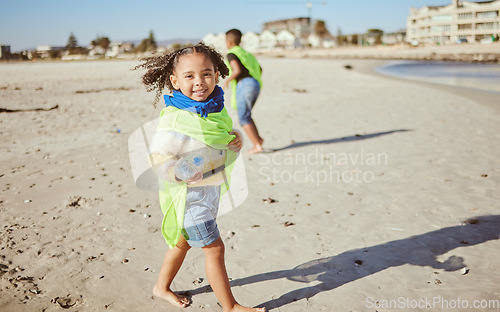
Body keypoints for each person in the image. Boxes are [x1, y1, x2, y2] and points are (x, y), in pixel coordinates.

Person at [134, 43, 265, 312]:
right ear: (175, 81)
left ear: (217, 75)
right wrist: (178, 171)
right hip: (190, 202)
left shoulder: (214, 111)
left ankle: (161, 287)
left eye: (206, 74)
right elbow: (159, 158)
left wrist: (235, 140)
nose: (199, 82)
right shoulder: (177, 120)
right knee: (214, 249)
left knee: (181, 243)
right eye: (189, 76)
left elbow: (220, 142)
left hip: (207, 196)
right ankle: (230, 307)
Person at [223, 28, 264, 154]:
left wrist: (227, 81)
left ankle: (257, 145)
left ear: (228, 41)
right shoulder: (246, 53)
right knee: (246, 115)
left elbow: (237, 71)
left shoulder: (231, 53)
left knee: (244, 118)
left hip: (245, 85)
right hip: (255, 84)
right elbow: (260, 69)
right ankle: (259, 140)